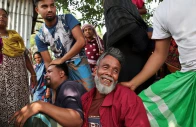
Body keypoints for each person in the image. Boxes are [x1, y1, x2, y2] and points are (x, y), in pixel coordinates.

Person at [121, 0, 196, 126]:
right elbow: (159, 53)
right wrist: (133, 83)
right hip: (189, 77)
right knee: (140, 107)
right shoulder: (163, 10)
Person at [34, 0, 94, 91]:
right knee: (63, 98)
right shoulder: (40, 36)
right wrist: (51, 82)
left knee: (89, 95)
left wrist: (62, 59)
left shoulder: (67, 19)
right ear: (37, 10)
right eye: (44, 6)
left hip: (79, 62)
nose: (50, 9)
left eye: (52, 5)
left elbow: (81, 41)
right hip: (61, 70)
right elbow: (47, 62)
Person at [82, 47, 150, 127]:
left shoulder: (128, 98)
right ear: (95, 70)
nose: (109, 73)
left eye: (115, 71)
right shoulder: (85, 99)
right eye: (105, 67)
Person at [10, 63, 87, 127]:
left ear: (61, 73)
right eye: (46, 72)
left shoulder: (68, 86)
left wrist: (40, 105)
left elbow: (77, 120)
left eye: (49, 72)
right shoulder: (59, 90)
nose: (45, 75)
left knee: (35, 120)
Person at [103, 0, 155, 94]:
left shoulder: (108, 35)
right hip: (135, 70)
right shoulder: (136, 30)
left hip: (121, 72)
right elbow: (141, 45)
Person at [0, 8, 37, 126]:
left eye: (4, 16)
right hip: (2, 81)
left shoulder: (15, 36)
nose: (2, 17)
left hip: (19, 80)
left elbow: (25, 56)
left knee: (19, 108)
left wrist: (33, 73)